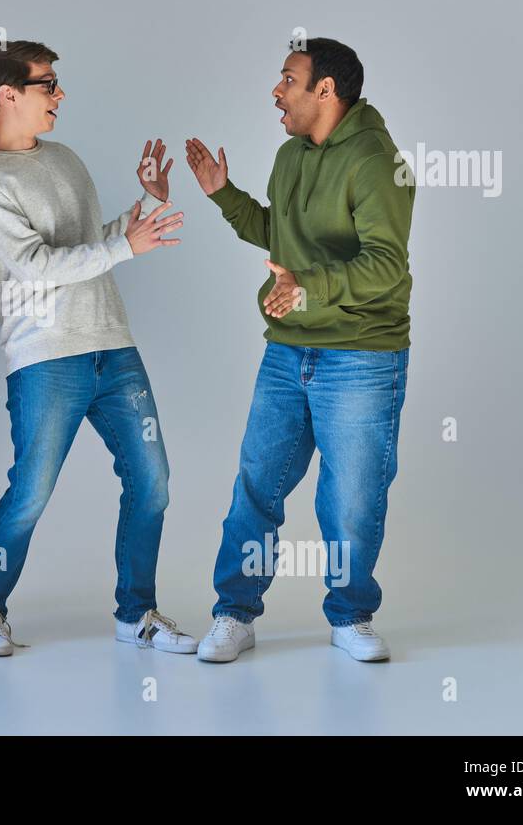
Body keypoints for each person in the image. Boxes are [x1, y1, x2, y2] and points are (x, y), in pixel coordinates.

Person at [186, 37, 415, 663]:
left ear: (326, 91)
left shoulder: (376, 161)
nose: (275, 91)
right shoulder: (291, 155)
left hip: (362, 355)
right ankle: (235, 611)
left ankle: (350, 616)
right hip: (288, 350)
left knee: (351, 495)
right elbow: (277, 234)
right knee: (257, 483)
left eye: (288, 79)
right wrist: (223, 194)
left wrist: (307, 287)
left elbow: (386, 266)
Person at [0, 40, 195, 657]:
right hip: (44, 356)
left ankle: (136, 613)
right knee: (31, 491)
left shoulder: (65, 157)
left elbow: (92, 246)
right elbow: (36, 266)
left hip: (113, 346)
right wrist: (127, 247)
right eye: (47, 84)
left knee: (153, 481)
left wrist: (147, 204)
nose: (59, 95)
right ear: (7, 94)